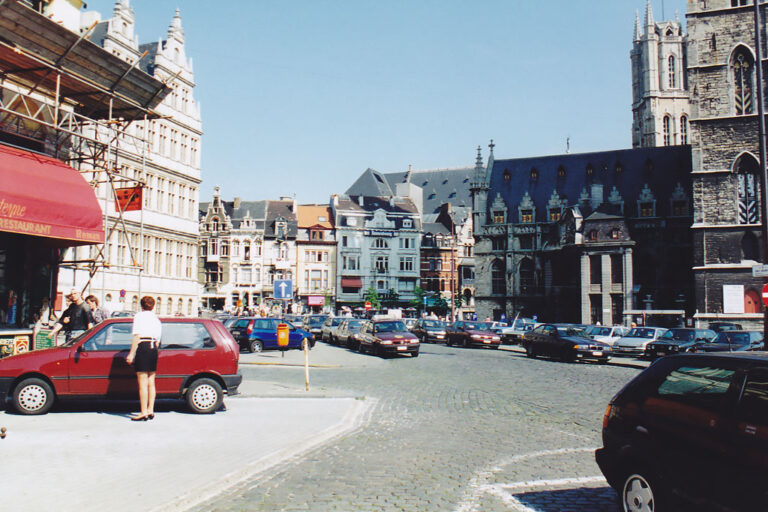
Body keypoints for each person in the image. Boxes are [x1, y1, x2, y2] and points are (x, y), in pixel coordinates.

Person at [126, 296, 161, 421]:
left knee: (142, 383)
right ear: (153, 306)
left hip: (143, 346)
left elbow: (137, 336)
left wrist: (131, 354)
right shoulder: (156, 318)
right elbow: (158, 340)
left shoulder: (139, 317)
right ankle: (151, 409)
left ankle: (143, 412)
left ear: (141, 305)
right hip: (153, 348)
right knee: (151, 381)